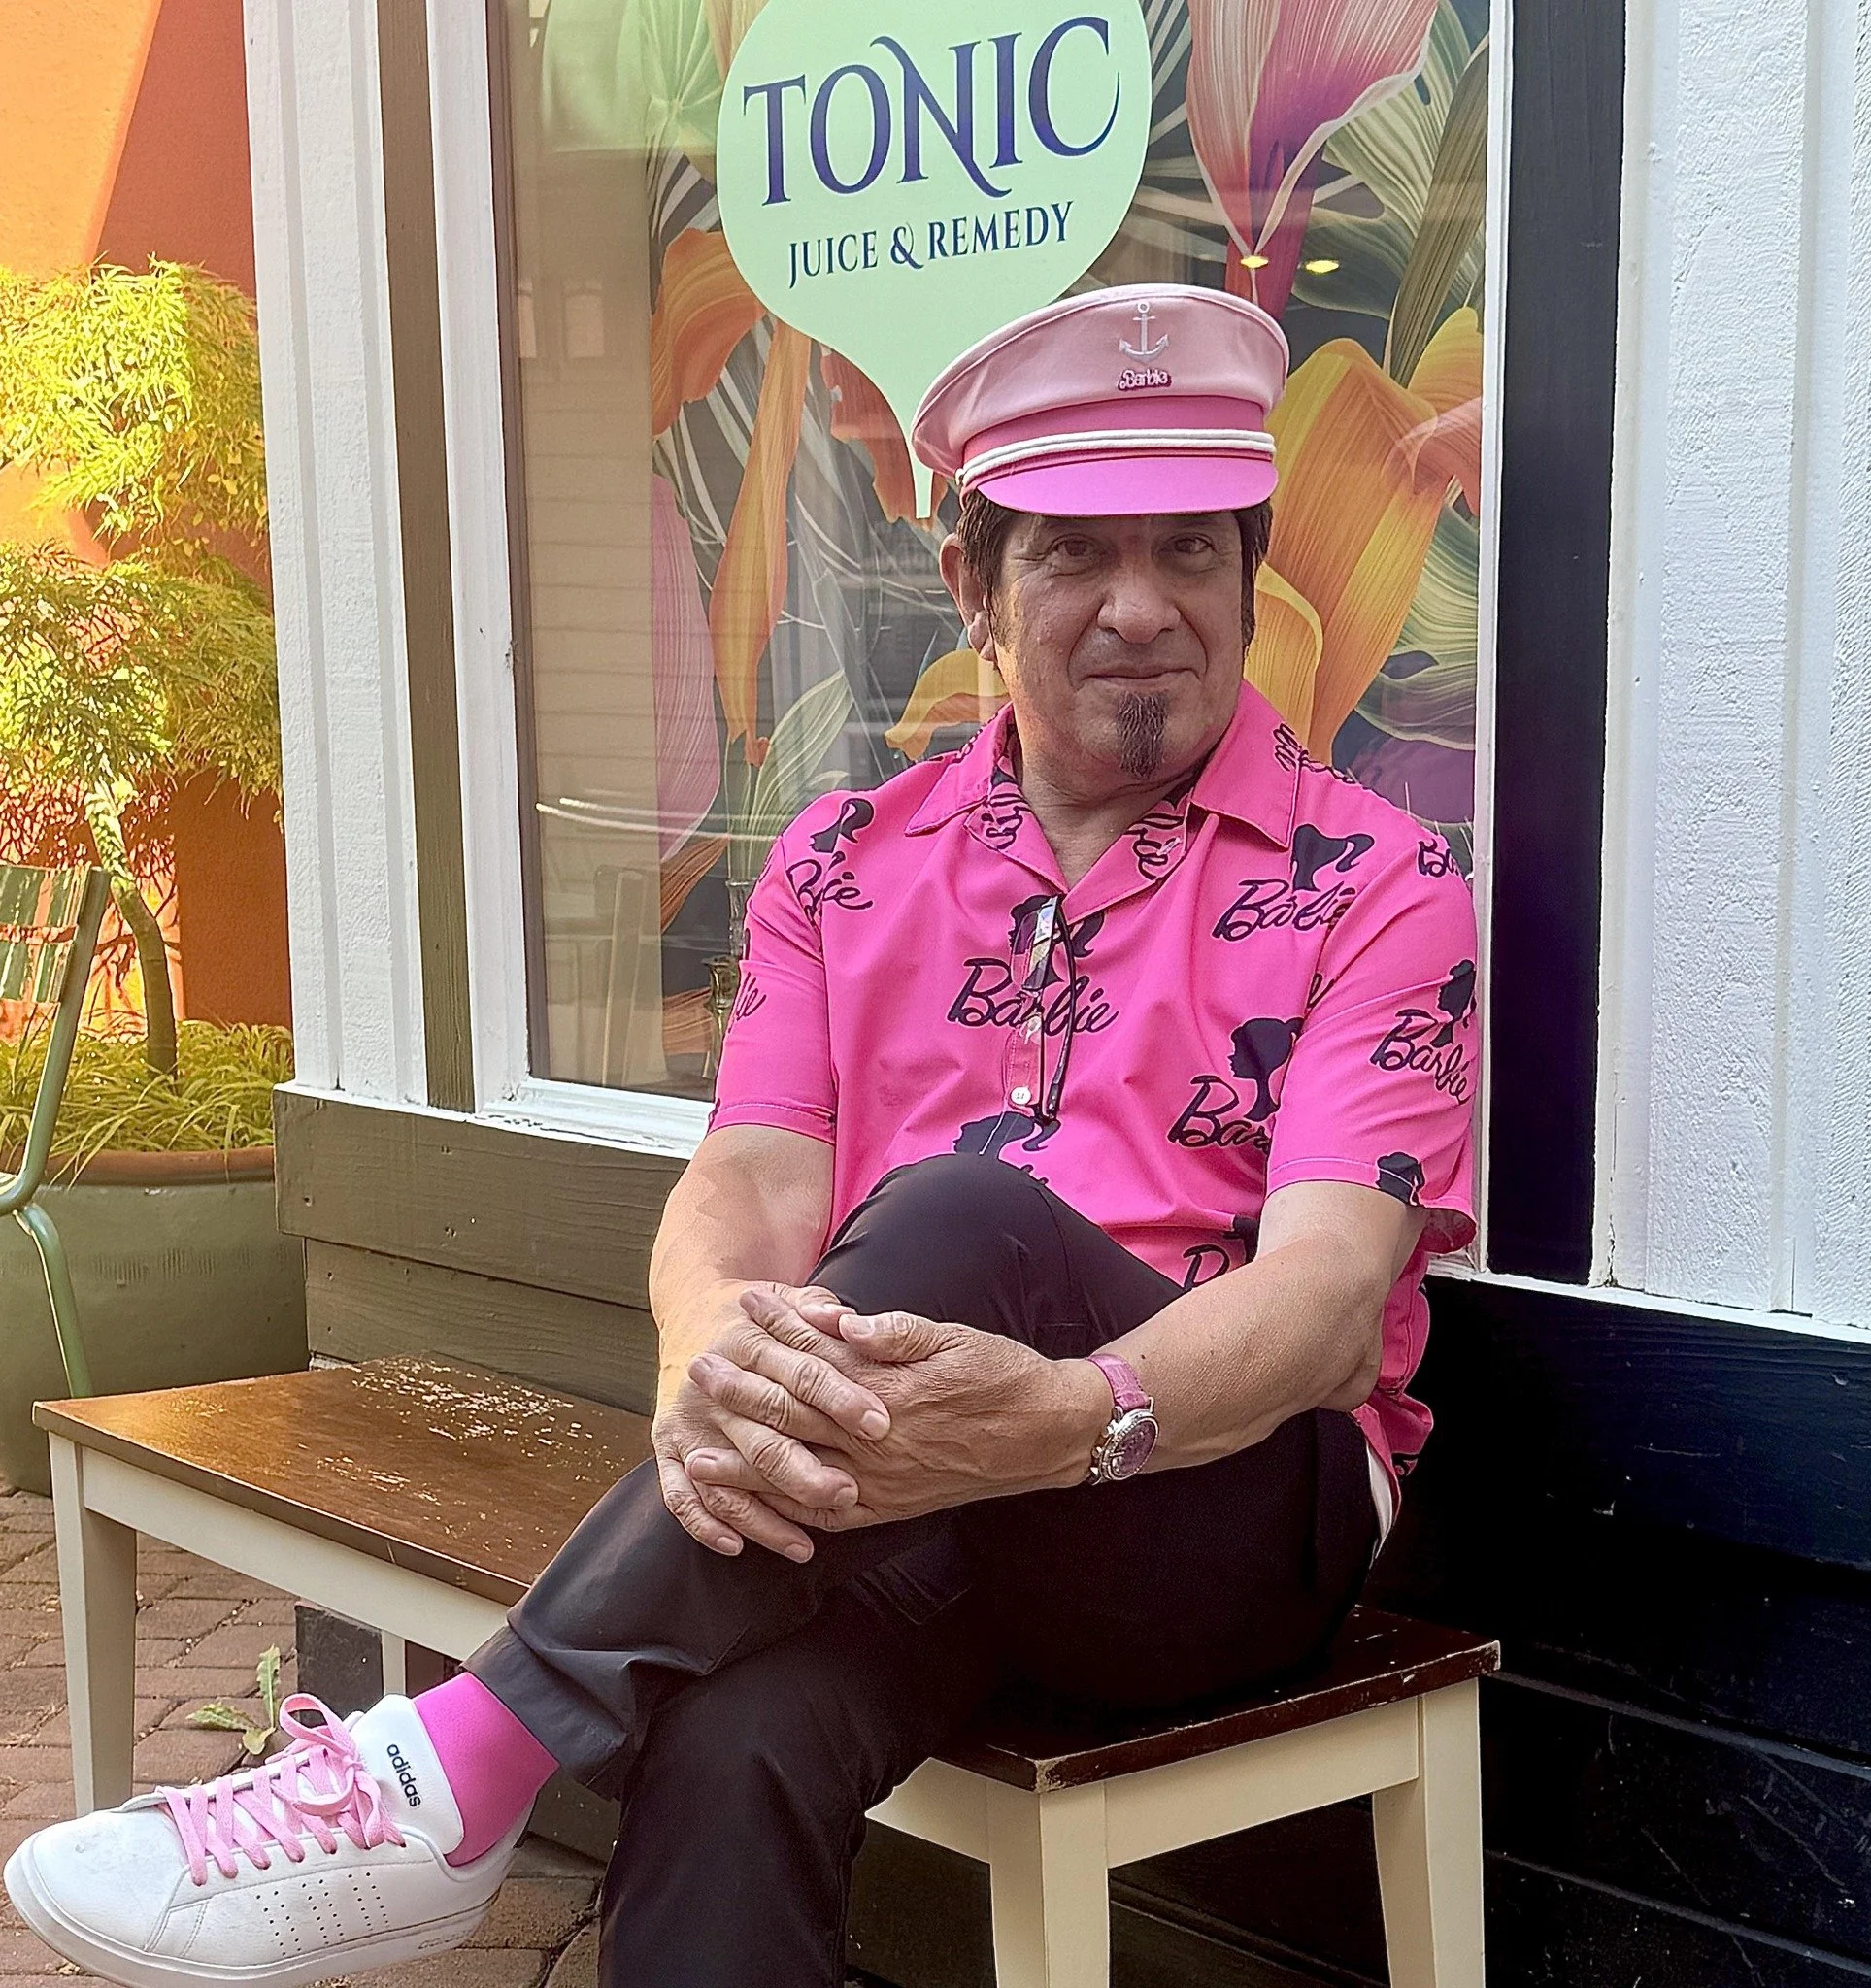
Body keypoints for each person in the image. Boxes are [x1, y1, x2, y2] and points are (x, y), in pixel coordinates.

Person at [6, 282, 1479, 1988]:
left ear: (1250, 578)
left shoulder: (1378, 881)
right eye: (1075, 554)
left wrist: (1067, 1414)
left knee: (962, 1216)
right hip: (897, 1481)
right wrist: (708, 1370)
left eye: (1188, 553)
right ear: (975, 590)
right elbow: (753, 1181)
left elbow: (1320, 1304)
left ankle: (464, 1763)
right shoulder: (845, 862)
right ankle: (475, 1778)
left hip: (1216, 1505)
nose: (1140, 607)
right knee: (736, 1737)